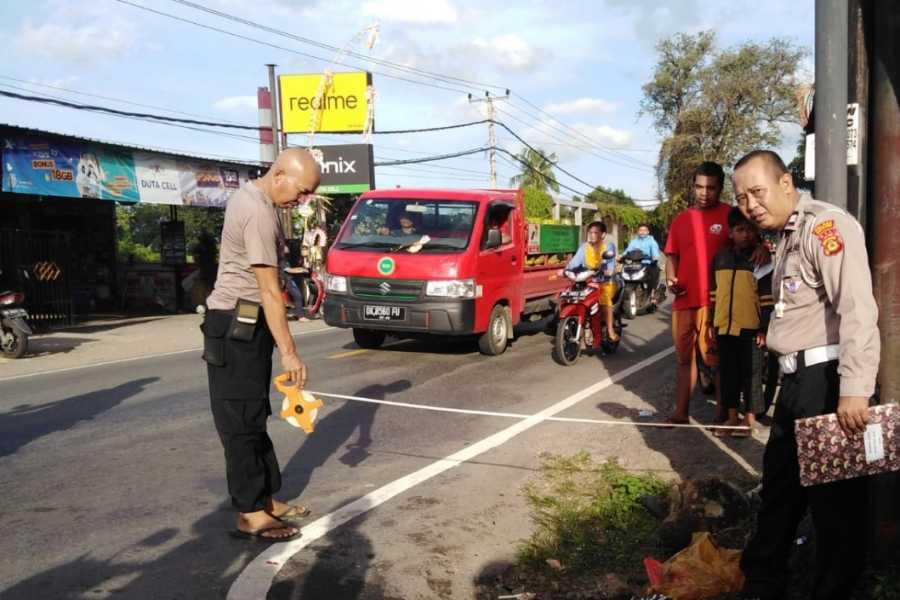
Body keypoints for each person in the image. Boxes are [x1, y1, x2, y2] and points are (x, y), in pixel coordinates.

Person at [733, 150, 879, 600]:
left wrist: (855, 389)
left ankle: (833, 590)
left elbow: (856, 307)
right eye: (741, 199)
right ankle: (763, 580)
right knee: (780, 488)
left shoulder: (825, 227)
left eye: (757, 192)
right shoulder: (787, 236)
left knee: (834, 506)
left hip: (827, 380)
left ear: (785, 184)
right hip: (797, 382)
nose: (751, 205)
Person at [202, 148, 321, 543]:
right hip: (234, 326)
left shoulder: (264, 204)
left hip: (248, 325)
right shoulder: (255, 210)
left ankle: (266, 497)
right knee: (238, 421)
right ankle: (250, 512)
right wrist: (290, 351)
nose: (302, 200)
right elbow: (269, 291)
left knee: (253, 414)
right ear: (280, 174)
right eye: (302, 191)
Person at [663, 161, 732, 424]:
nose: (704, 193)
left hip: (714, 304)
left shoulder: (730, 215)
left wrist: (759, 248)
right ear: (693, 187)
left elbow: (748, 243)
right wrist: (670, 276)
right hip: (683, 302)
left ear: (720, 188)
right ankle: (680, 413)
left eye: (711, 188)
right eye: (700, 187)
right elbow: (672, 256)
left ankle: (721, 415)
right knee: (683, 360)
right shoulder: (681, 220)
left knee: (716, 361)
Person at [707, 207, 774, 437]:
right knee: (728, 375)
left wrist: (764, 328)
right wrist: (711, 323)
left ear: (756, 233)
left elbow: (767, 299)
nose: (745, 235)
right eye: (740, 230)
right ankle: (732, 417)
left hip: (750, 329)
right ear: (731, 232)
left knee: (752, 376)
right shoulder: (720, 258)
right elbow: (713, 294)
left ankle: (749, 420)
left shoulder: (761, 259)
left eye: (749, 230)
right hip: (724, 327)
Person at [566, 221, 619, 343]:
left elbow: (610, 263)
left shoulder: (608, 246)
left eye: (596, 232)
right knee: (570, 295)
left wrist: (609, 271)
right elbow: (575, 262)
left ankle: (610, 330)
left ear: (603, 234)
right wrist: (565, 270)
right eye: (590, 232)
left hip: (605, 282)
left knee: (605, 300)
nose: (592, 235)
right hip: (587, 281)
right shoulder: (584, 247)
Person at [623, 223, 662, 305]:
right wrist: (621, 256)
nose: (642, 232)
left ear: (648, 232)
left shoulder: (651, 241)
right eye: (640, 230)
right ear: (638, 232)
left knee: (654, 271)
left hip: (648, 263)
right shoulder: (634, 241)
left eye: (644, 230)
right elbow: (628, 250)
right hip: (635, 264)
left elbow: (654, 251)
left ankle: (652, 294)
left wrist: (654, 257)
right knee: (622, 273)